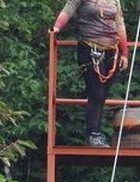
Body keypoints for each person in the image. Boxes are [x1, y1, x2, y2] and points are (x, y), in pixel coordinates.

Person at [50, 0, 129, 148]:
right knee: (96, 92)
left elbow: (120, 24)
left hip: (111, 51)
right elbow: (68, 10)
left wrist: (124, 53)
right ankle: (93, 134)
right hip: (89, 48)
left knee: (103, 94)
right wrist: (56, 28)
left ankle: (96, 133)